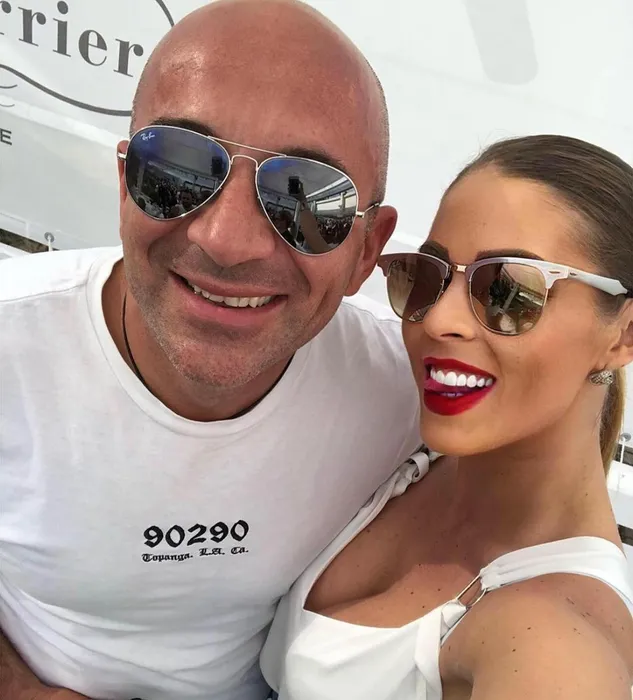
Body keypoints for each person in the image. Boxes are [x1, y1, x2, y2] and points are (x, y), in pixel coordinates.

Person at [0, 2, 424, 699]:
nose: (227, 241)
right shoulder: (13, 343)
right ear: (124, 184)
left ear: (365, 252)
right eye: (178, 169)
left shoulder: (399, 394)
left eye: (305, 199)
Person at [261, 135, 633, 700]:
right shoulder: (409, 454)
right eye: (427, 276)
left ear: (623, 335)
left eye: (508, 291)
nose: (438, 320)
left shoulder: (558, 646)